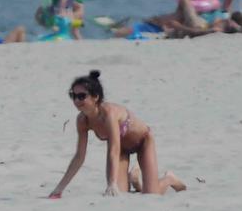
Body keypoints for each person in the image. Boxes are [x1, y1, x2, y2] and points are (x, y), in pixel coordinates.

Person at [48, 70, 186, 198]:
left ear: (95, 97)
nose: (77, 101)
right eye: (73, 96)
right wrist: (59, 189)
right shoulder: (82, 121)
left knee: (152, 194)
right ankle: (135, 181)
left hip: (143, 141)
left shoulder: (109, 114)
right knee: (118, 193)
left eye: (81, 96)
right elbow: (79, 156)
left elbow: (113, 149)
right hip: (122, 150)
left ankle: (169, 178)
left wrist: (111, 183)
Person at [111, 0, 242, 39]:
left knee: (184, 2)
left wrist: (180, 27)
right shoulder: (224, 19)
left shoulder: (223, 25)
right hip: (196, 24)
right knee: (180, 10)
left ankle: (156, 21)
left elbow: (202, 32)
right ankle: (156, 21)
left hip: (197, 27)